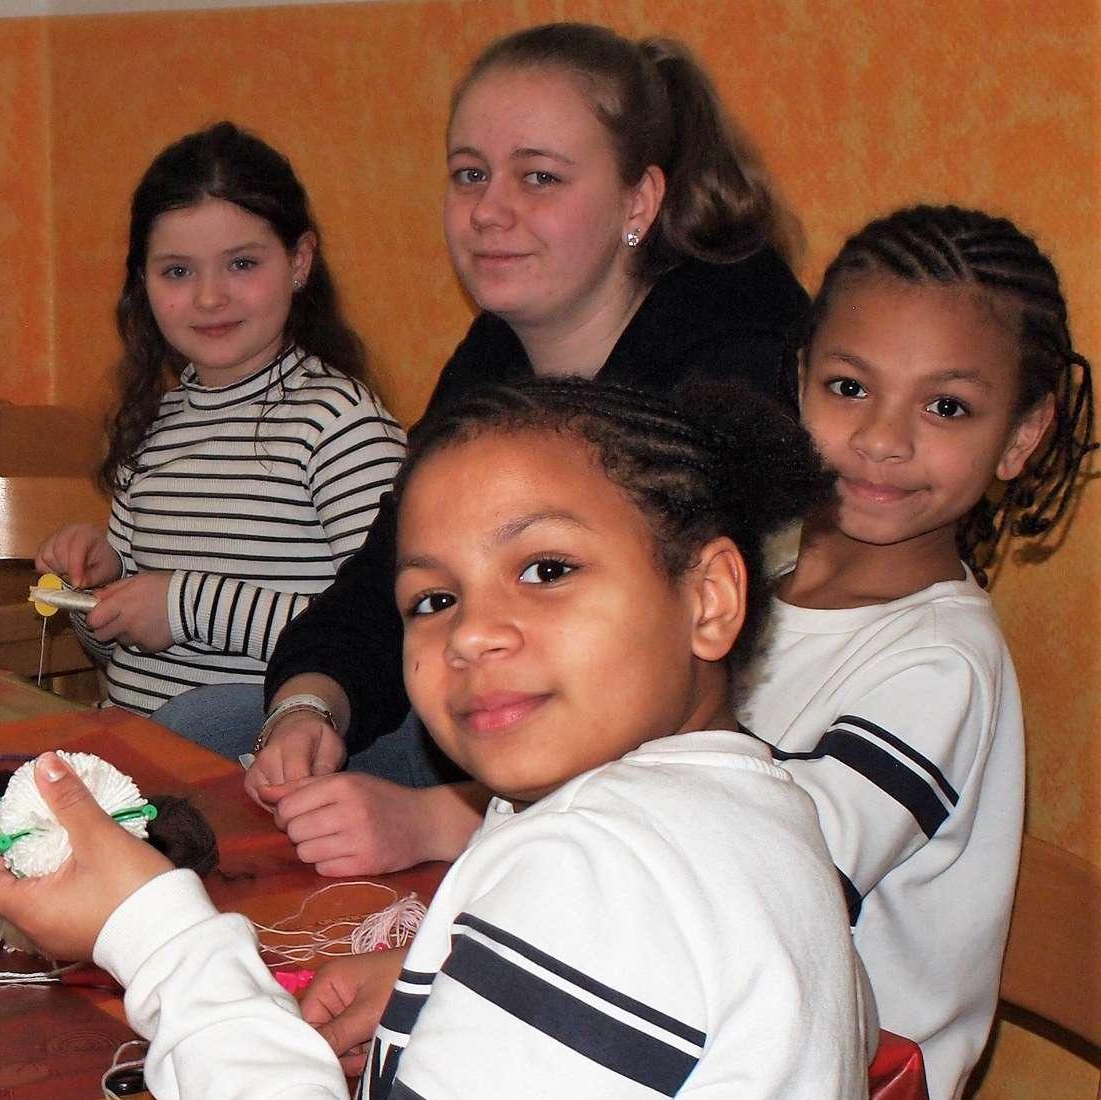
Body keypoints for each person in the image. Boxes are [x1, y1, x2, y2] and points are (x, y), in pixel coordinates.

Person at [0, 379, 871, 1100]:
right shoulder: (750, 812)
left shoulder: (608, 867)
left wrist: (160, 938)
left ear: (709, 598)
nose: (472, 633)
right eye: (433, 599)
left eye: (547, 568)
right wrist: (440, 993)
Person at [246, 21, 805, 876]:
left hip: (671, 816)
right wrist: (308, 706)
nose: (489, 210)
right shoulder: (493, 355)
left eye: (538, 176)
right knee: (214, 734)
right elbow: (394, 572)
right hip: (501, 738)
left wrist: (447, 816)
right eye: (470, 173)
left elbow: (668, 701)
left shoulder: (735, 362)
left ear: (638, 203)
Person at [746, 204, 1094, 1100]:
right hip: (710, 1073)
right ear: (802, 379)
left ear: (1022, 436)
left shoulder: (941, 665)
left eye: (946, 407)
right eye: (850, 386)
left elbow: (757, 881)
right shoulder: (738, 585)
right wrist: (445, 817)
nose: (883, 440)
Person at [32, 123, 402, 751]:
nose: (209, 296)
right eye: (177, 271)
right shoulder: (154, 424)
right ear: (142, 284)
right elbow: (123, 648)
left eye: (242, 264)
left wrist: (183, 605)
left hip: (259, 778)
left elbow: (390, 628)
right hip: (140, 769)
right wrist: (93, 596)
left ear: (300, 262)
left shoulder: (339, 423)